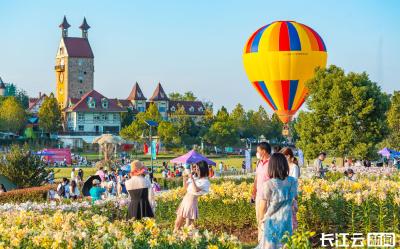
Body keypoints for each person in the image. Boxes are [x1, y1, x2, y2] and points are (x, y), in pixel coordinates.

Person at [257, 153, 298, 249]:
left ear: (271, 167)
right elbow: (295, 198)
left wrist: (260, 221)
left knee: (270, 244)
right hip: (287, 220)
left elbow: (262, 206)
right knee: (286, 244)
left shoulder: (268, 184)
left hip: (272, 220)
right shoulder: (292, 181)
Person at [174, 160, 210, 232]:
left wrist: (192, 178)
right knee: (177, 223)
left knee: (188, 226)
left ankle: (185, 240)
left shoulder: (205, 181)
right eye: (195, 168)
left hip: (191, 202)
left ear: (202, 169)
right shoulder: (195, 177)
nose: (195, 170)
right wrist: (184, 178)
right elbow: (185, 188)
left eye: (197, 168)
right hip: (185, 201)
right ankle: (175, 238)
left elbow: (195, 190)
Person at [251, 142, 271, 242]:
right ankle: (260, 241)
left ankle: (267, 241)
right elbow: (257, 178)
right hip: (259, 195)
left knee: (265, 219)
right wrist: (253, 191)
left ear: (263, 151)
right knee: (259, 219)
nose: (257, 153)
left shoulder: (272, 162)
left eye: (258, 151)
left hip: (268, 196)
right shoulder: (259, 163)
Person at [280, 147, 300, 231]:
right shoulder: (283, 167)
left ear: (288, 156)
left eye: (283, 156)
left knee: (291, 219)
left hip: (290, 196)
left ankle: (292, 239)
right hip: (282, 195)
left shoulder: (294, 167)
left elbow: (294, 183)